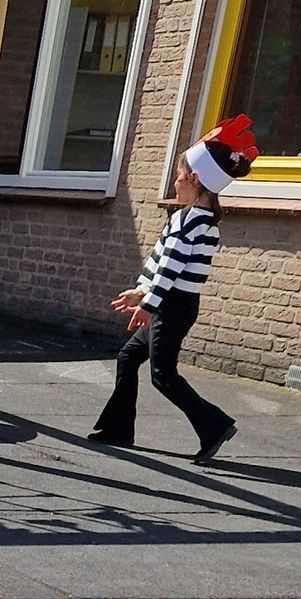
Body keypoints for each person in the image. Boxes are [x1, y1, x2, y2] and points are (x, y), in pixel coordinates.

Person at [90, 116, 256, 463]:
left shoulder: (193, 222)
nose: (176, 182)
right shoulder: (192, 219)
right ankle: (118, 429)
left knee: (163, 376)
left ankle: (215, 425)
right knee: (128, 356)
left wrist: (148, 303)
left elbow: (171, 268)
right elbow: (163, 262)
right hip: (168, 301)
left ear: (195, 180)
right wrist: (141, 291)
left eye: (180, 176)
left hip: (172, 306)